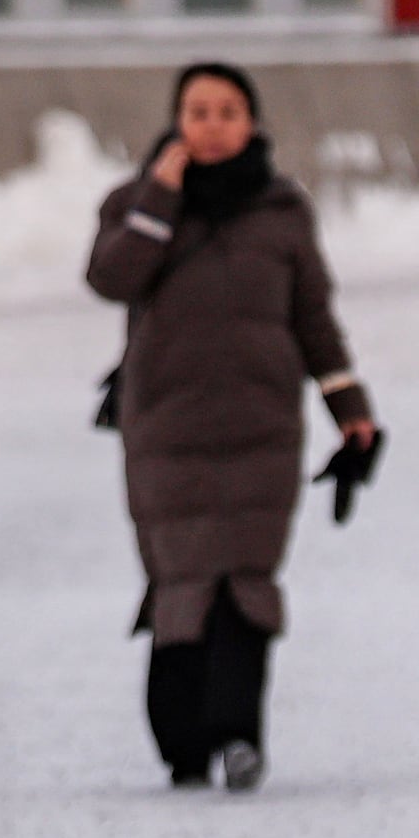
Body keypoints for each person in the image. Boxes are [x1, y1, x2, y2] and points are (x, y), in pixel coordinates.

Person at [89, 61, 376, 791]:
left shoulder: (282, 210)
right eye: (197, 111)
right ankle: (184, 744)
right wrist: (161, 194)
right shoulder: (134, 202)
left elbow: (313, 319)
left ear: (251, 123)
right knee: (181, 582)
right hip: (165, 430)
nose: (212, 124)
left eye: (226, 111)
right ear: (177, 121)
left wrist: (353, 412)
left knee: (246, 583)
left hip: (263, 430)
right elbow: (111, 279)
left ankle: (239, 735)